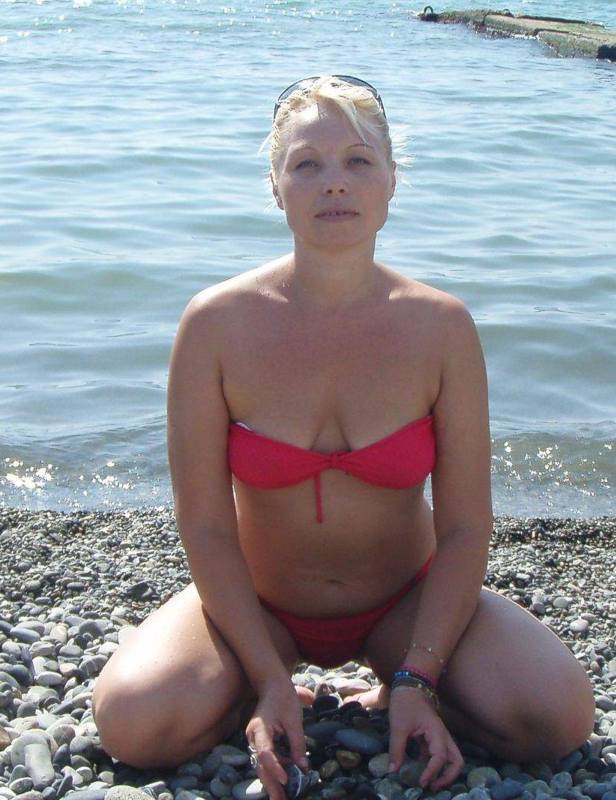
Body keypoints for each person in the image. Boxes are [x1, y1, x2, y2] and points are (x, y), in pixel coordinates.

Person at [92, 75, 594, 799]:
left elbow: (464, 528)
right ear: (275, 186)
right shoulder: (214, 325)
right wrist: (268, 675)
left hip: (404, 604)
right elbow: (205, 526)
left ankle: (401, 693)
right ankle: (256, 692)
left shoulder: (442, 327)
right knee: (133, 725)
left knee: (557, 716)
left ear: (392, 182)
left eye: (359, 161)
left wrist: (418, 674)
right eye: (307, 164)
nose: (335, 182)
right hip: (260, 606)